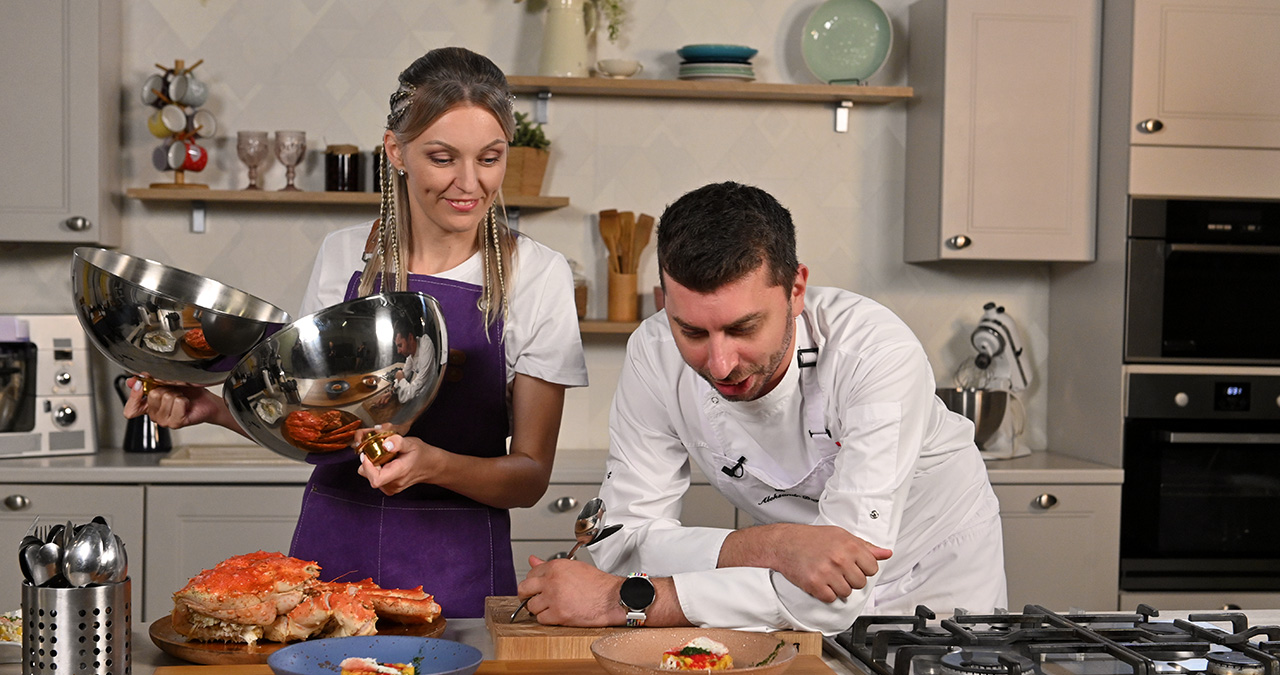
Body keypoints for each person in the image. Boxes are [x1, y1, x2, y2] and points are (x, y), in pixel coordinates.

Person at [125, 47, 588, 618]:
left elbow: (530, 477)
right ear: (396, 150)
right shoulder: (345, 256)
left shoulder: (537, 275)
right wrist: (213, 408)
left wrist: (433, 464)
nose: (470, 183)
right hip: (330, 560)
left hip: (457, 573)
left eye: (489, 158)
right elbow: (312, 426)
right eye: (442, 157)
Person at [516, 181, 1005, 634]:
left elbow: (836, 597)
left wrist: (620, 601)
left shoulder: (875, 354)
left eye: (743, 328)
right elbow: (622, 543)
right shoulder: (654, 353)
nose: (720, 364)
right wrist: (772, 546)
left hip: (936, 575)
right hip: (779, 576)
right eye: (692, 332)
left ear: (796, 291)